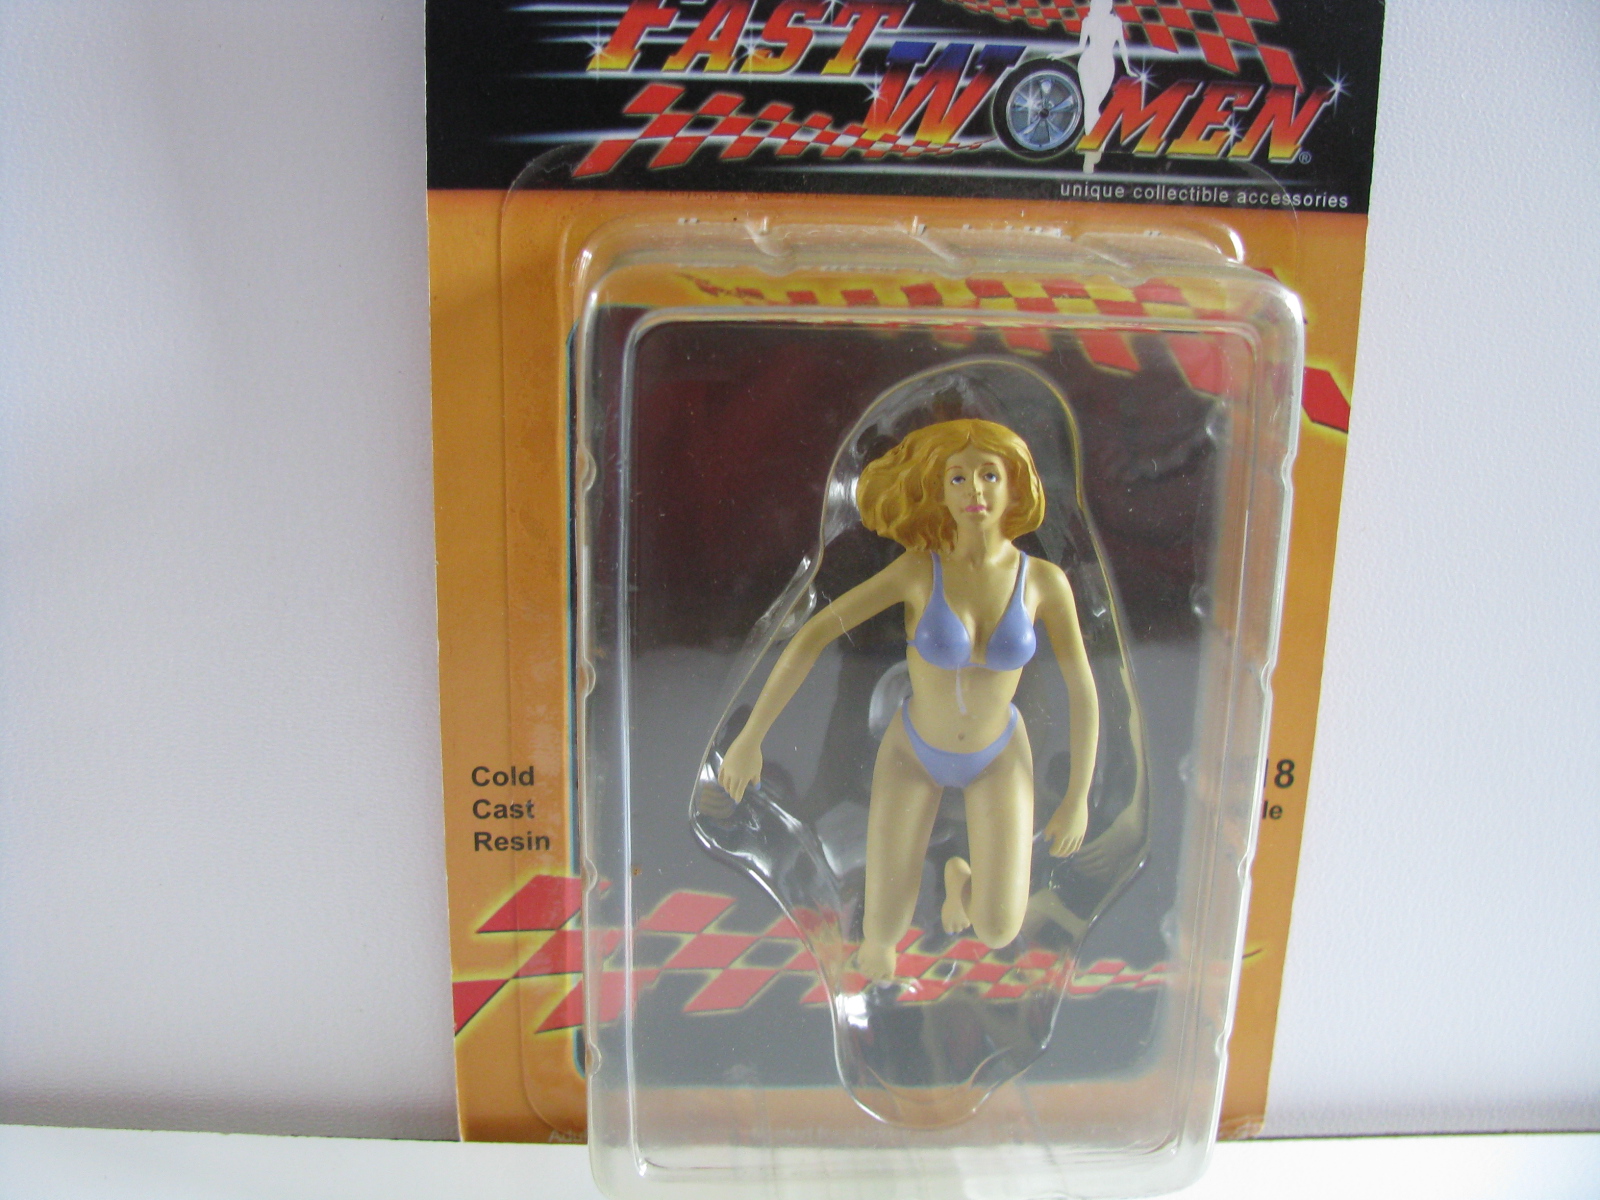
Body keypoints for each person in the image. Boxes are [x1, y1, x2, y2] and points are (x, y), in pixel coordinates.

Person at [717, 419, 1099, 982]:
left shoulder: (1043, 581)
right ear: (938, 491)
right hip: (915, 749)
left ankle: (959, 879)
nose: (975, 490)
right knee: (882, 929)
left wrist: (1078, 797)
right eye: (958, 477)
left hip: (997, 753)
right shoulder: (921, 570)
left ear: (1016, 485)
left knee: (998, 928)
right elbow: (814, 634)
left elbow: (1083, 687)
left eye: (990, 475)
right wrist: (751, 739)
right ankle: (880, 943)